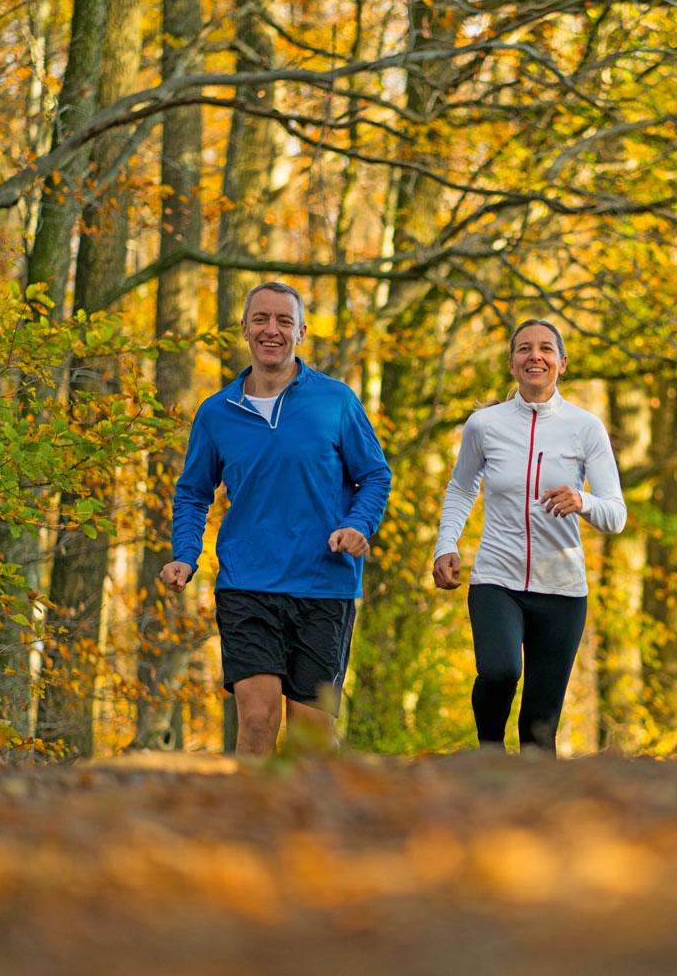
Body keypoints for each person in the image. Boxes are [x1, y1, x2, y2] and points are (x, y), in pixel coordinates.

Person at [159, 280, 391, 756]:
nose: (272, 330)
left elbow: (375, 476)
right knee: (259, 718)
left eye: (284, 321)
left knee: (310, 737)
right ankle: (247, 827)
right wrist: (186, 554)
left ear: (301, 332)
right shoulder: (217, 412)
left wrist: (358, 525)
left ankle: (311, 830)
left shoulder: (337, 401)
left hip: (324, 584)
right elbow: (192, 492)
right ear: (244, 328)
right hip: (248, 583)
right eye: (261, 319)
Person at [432, 319, 627, 755]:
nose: (534, 356)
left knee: (540, 728)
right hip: (496, 578)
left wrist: (583, 500)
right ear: (512, 363)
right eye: (524, 349)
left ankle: (531, 811)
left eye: (544, 349)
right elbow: (462, 488)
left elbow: (616, 515)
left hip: (561, 587)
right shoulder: (484, 425)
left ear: (562, 363)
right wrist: (446, 544)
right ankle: (488, 753)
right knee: (500, 671)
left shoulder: (585, 427)